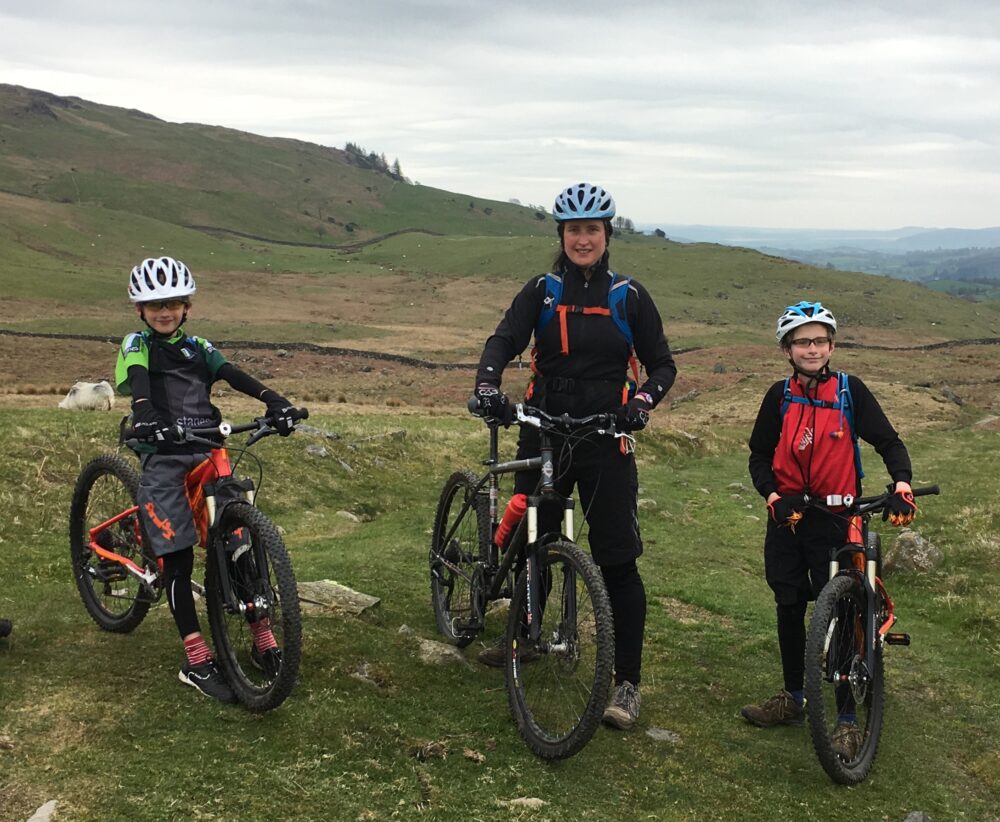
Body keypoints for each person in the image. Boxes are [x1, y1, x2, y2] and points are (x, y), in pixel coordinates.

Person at [473, 182, 677, 730]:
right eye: (573, 230)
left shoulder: (629, 296)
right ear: (561, 236)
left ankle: (626, 684)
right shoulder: (541, 291)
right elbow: (502, 341)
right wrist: (489, 385)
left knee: (617, 560)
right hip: (544, 431)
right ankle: (526, 635)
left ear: (608, 235)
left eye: (592, 229)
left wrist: (641, 402)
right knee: (532, 539)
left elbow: (662, 366)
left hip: (606, 437)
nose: (582, 239)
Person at [115, 256, 304, 704]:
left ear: (187, 307)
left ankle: (263, 640)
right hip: (163, 455)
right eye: (155, 304)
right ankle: (196, 660)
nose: (165, 311)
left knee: (241, 542)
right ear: (140, 309)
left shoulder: (198, 346)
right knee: (177, 559)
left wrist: (277, 401)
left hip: (208, 449)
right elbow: (139, 387)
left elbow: (232, 374)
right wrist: (147, 418)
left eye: (175, 303)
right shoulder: (136, 344)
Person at [743, 300, 917, 757]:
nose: (813, 348)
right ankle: (793, 697)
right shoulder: (778, 397)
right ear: (787, 350)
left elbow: (889, 441)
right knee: (787, 602)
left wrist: (901, 484)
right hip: (788, 519)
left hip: (839, 519)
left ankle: (844, 719)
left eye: (820, 341)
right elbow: (759, 456)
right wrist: (774, 497)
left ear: (832, 345)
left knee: (841, 612)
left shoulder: (849, 391)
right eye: (803, 342)